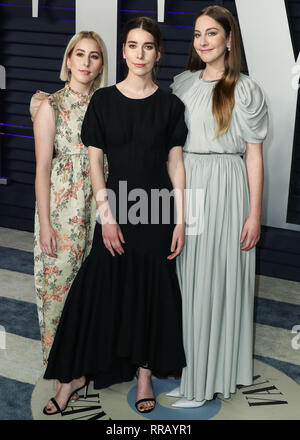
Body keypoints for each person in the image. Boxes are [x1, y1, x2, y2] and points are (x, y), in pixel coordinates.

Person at [42, 16, 187, 416]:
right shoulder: (103, 101)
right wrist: (107, 217)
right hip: (118, 206)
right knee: (99, 286)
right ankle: (73, 376)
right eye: (132, 45)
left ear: (158, 53)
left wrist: (180, 219)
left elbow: (175, 164)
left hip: (157, 209)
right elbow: (94, 164)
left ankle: (144, 374)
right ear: (122, 52)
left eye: (148, 46)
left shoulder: (172, 105)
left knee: (150, 291)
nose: (139, 54)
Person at [168, 6, 268, 407]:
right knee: (187, 283)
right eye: (197, 34)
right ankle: (191, 370)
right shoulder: (182, 84)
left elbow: (254, 156)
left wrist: (254, 213)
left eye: (212, 34)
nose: (203, 41)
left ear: (229, 40)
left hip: (226, 190)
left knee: (216, 284)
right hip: (186, 183)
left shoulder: (244, 88)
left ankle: (207, 381)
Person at [31, 31, 108, 399]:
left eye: (94, 56)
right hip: (62, 210)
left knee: (93, 292)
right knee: (57, 291)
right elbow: (42, 168)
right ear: (67, 59)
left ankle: (83, 368)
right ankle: (64, 376)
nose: (86, 62)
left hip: (100, 206)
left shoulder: (108, 104)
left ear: (100, 66)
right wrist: (45, 223)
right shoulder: (50, 105)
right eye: (79, 54)